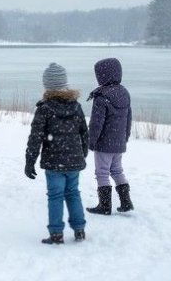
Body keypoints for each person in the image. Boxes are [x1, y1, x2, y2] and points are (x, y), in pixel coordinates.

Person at [25, 62, 88, 245]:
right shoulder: (75, 106)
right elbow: (84, 132)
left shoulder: (45, 108)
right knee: (73, 193)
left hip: (54, 163)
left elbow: (35, 137)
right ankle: (79, 229)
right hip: (73, 160)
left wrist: (30, 160)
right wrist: (82, 153)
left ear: (47, 85)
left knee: (55, 196)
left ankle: (56, 233)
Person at [85, 58, 134, 215]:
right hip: (118, 143)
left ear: (102, 76)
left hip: (104, 143)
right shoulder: (124, 93)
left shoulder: (101, 96)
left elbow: (96, 124)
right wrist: (125, 137)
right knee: (117, 170)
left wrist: (90, 142)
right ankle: (126, 202)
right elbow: (128, 119)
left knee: (102, 172)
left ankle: (104, 206)